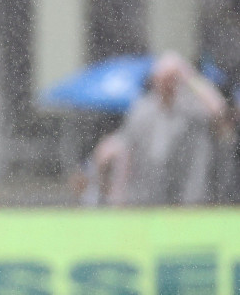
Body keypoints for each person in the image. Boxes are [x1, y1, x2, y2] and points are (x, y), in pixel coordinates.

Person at [80, 52, 229, 206]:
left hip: (188, 197)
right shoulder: (142, 110)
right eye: (163, 77)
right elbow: (125, 149)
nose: (167, 83)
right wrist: (118, 195)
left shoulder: (192, 107)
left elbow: (219, 109)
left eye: (173, 77)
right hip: (147, 198)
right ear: (154, 79)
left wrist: (189, 76)